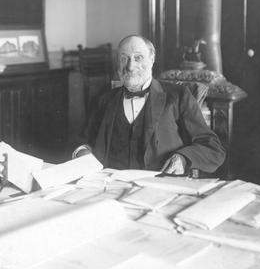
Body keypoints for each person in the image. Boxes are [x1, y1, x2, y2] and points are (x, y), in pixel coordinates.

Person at [73, 35, 225, 175]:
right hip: (108, 187)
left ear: (152, 59)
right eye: (124, 58)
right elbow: (82, 140)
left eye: (138, 58)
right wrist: (82, 152)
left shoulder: (178, 95)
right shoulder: (104, 99)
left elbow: (212, 147)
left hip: (160, 187)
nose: (130, 66)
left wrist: (183, 159)